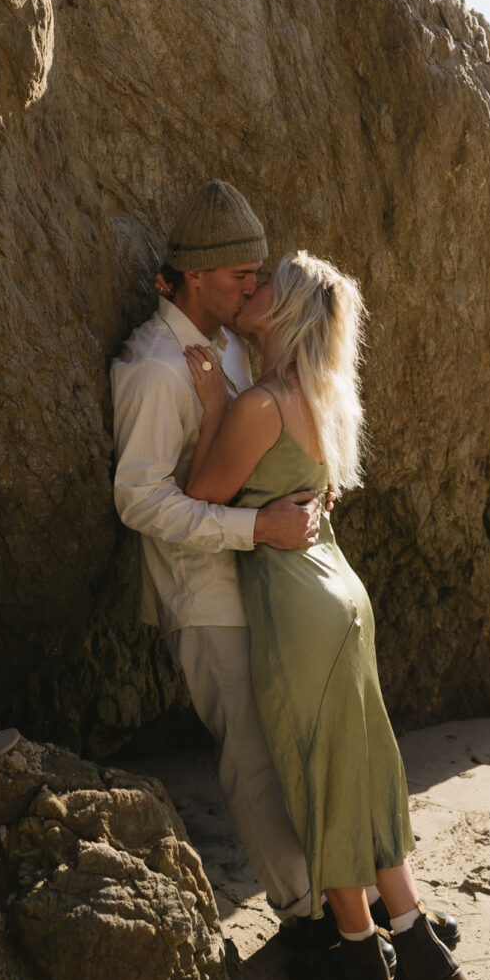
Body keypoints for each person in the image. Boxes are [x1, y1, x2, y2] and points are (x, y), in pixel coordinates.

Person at [181, 248, 469, 980]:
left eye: (266, 281)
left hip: (297, 606)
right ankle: (375, 945)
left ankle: (399, 951)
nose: (252, 285)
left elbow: (202, 494)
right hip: (340, 591)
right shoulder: (325, 396)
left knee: (321, 776)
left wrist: (213, 406)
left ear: (284, 311)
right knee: (356, 773)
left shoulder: (260, 404)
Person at [111, 179, 318, 924]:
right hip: (201, 593)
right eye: (241, 276)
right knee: (253, 758)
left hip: (265, 582)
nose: (255, 289)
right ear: (195, 274)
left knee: (292, 743)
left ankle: (337, 898)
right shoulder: (153, 366)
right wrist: (255, 530)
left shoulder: (229, 347)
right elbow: (138, 499)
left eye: (259, 274)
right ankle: (305, 920)